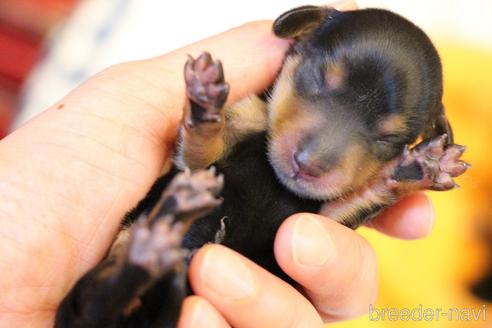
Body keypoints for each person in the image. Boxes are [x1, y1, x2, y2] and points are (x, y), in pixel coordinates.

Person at [0, 19, 435, 328]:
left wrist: (387, 185)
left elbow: (343, 211)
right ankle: (132, 269)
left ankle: (139, 267)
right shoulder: (250, 114)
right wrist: (202, 122)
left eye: (380, 139)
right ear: (300, 40)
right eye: (319, 82)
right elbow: (195, 159)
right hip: (133, 266)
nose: (317, 153)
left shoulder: (334, 197)